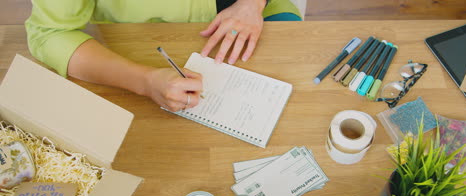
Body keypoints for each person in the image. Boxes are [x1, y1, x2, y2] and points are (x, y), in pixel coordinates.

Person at [25, 0, 301, 112]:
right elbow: (49, 34)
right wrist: (145, 82)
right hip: (138, 42)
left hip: (251, 12)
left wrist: (251, 4)